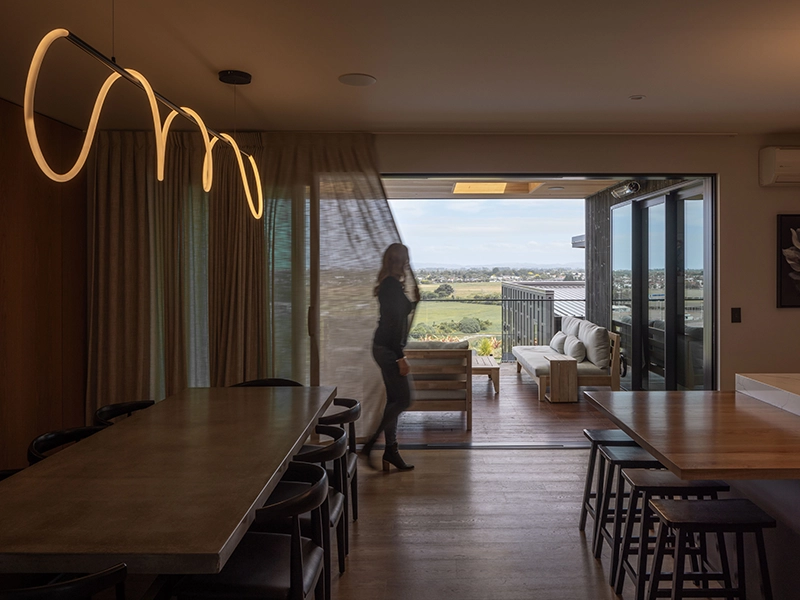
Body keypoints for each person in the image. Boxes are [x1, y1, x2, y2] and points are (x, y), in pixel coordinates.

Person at [361, 243, 420, 471]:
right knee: (403, 400)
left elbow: (398, 313)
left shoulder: (391, 285)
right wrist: (400, 357)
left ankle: (390, 451)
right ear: (399, 261)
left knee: (395, 401)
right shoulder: (390, 286)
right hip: (387, 349)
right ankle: (370, 445)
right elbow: (393, 325)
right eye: (404, 260)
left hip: (383, 347)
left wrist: (414, 301)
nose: (406, 263)